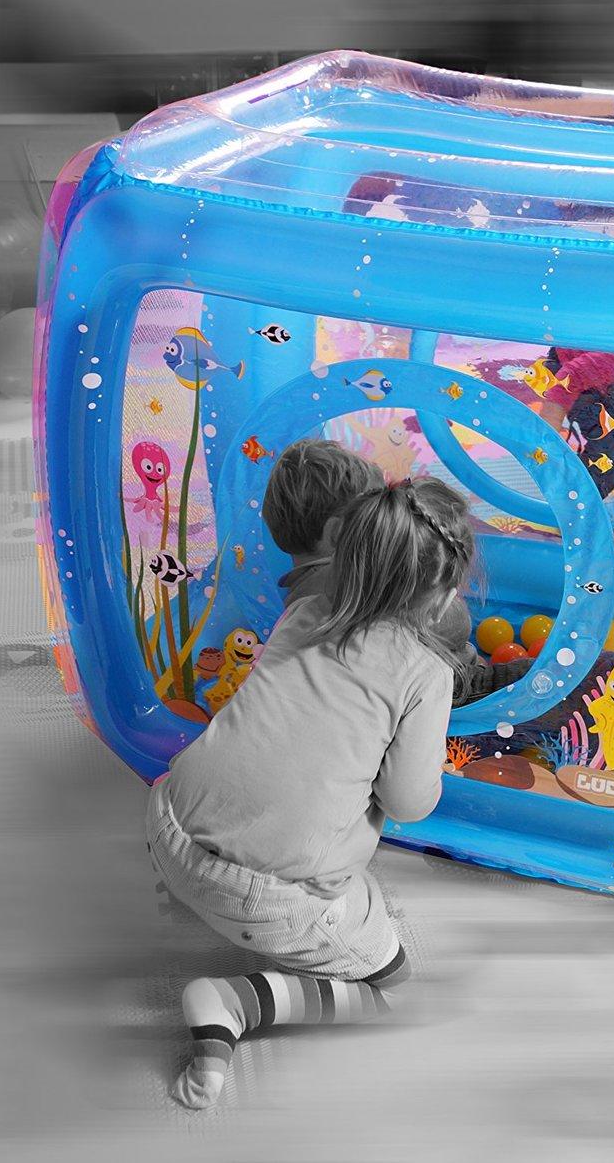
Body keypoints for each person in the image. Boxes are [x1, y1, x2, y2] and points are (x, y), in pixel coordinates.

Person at [146, 477, 474, 1109]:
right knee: (395, 989)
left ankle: (194, 898)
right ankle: (232, 1005)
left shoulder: (304, 611)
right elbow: (409, 803)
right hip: (256, 897)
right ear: (441, 598)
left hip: (167, 824)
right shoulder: (426, 672)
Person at [263, 439, 529, 704]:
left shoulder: (301, 592)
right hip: (443, 689)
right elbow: (451, 624)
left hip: (428, 673)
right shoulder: (343, 584)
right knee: (536, 681)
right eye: (377, 519)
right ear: (338, 532)